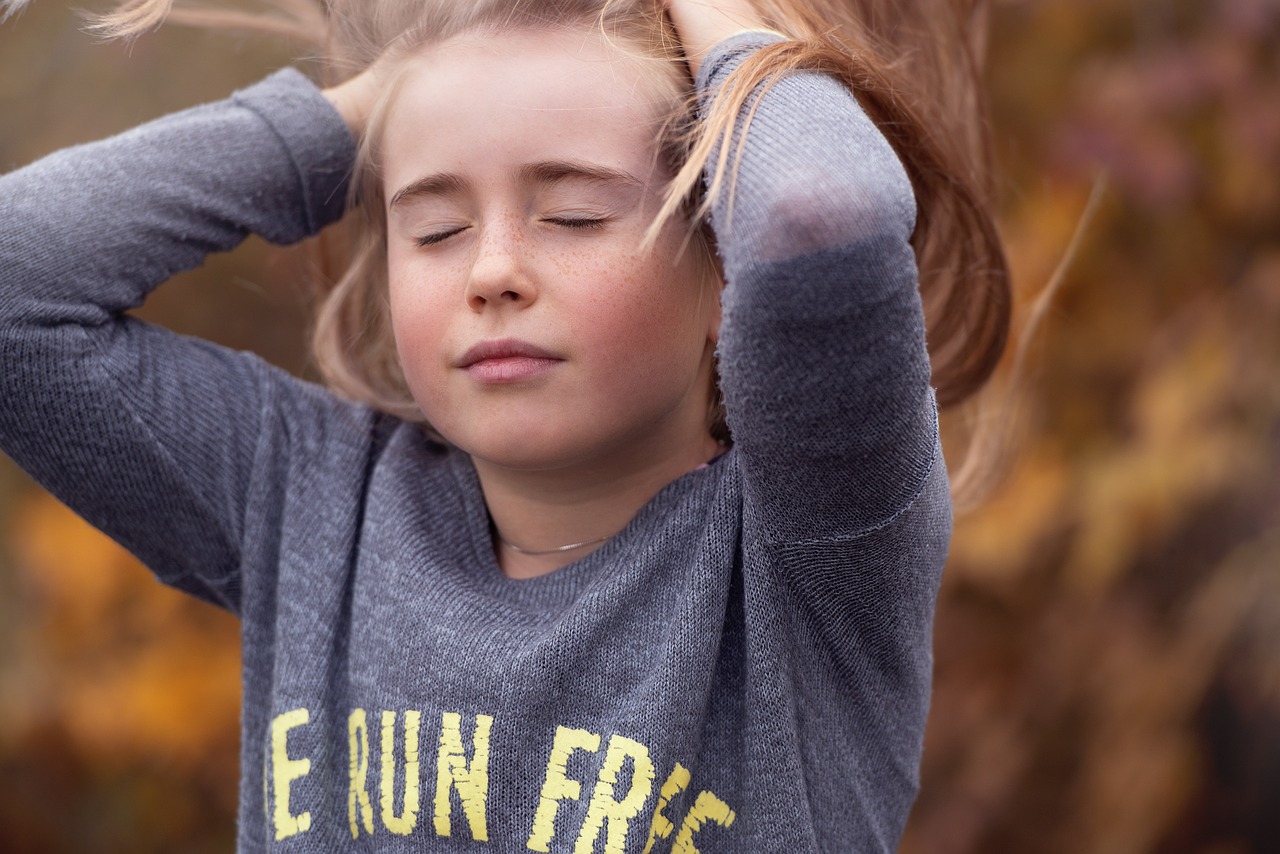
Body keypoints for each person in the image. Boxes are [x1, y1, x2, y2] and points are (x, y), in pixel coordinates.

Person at [0, 0, 1010, 850]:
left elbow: (819, 213)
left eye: (570, 215)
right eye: (434, 227)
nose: (490, 272)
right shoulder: (305, 501)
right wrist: (387, 103)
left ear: (721, 266)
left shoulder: (815, 552)